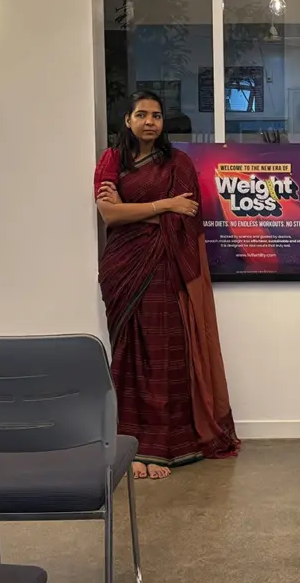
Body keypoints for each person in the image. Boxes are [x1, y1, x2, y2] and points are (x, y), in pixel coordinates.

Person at [94, 90, 240, 480]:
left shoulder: (179, 164)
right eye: (141, 114)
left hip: (164, 268)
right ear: (127, 120)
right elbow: (109, 215)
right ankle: (130, 445)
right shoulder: (111, 160)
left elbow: (185, 216)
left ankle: (163, 447)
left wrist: (132, 209)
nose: (149, 122)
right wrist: (164, 206)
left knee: (164, 355)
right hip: (121, 269)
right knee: (127, 358)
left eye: (156, 116)